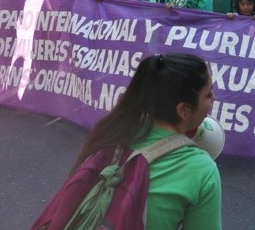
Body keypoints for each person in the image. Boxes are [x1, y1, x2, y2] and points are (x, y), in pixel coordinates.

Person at [63, 53, 221, 229]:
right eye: (208, 94)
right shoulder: (201, 168)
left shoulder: (111, 132)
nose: (213, 99)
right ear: (183, 110)